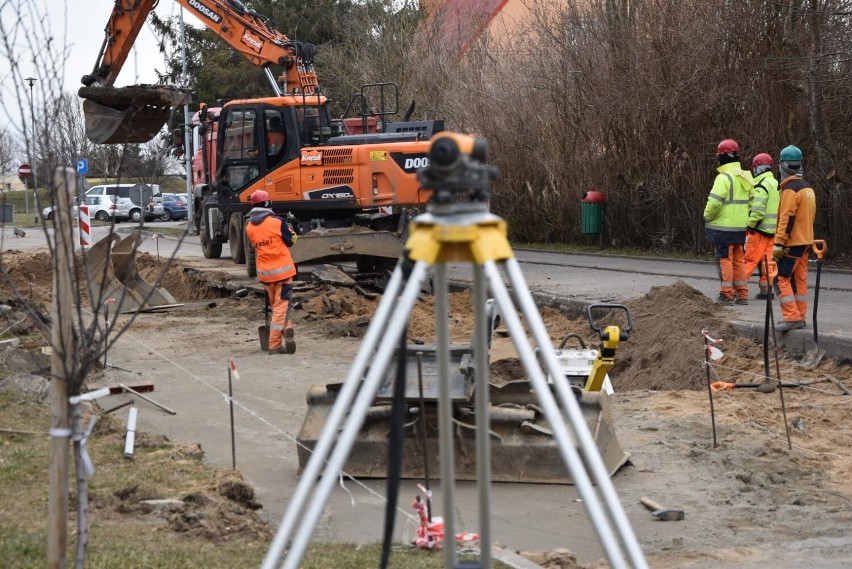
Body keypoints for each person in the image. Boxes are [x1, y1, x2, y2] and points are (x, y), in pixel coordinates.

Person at [245, 190, 298, 353]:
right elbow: (291, 241)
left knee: (276, 307)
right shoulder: (277, 222)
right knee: (281, 307)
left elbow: (256, 245)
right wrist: (291, 229)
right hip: (283, 273)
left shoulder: (249, 227)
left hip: (265, 275)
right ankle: (274, 344)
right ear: (268, 204)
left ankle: (286, 328)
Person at [703, 138, 753, 305]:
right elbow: (752, 203)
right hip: (740, 228)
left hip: (723, 229)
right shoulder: (745, 177)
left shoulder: (723, 178)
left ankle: (727, 294)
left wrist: (707, 216)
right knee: (739, 260)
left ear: (722, 157)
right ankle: (742, 293)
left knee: (725, 259)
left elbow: (714, 203)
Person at [772, 145, 816, 332]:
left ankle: (792, 317)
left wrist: (778, 243)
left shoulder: (790, 190)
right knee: (799, 279)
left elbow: (787, 218)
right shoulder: (808, 188)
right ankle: (800, 316)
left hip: (792, 243)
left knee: (781, 278)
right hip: (806, 241)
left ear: (783, 165)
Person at [742, 153, 779, 299]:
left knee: (749, 261)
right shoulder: (776, 184)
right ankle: (767, 290)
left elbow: (757, 211)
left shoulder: (761, 186)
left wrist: (750, 225)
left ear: (757, 168)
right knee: (768, 262)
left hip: (758, 231)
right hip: (772, 231)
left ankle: (739, 290)